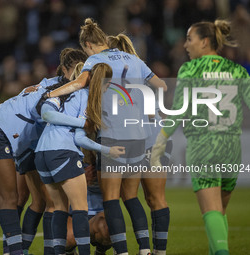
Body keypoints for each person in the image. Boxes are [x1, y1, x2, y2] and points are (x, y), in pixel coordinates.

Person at [43, 18, 167, 255]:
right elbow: (162, 85)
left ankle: (122, 252)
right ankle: (145, 250)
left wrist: (51, 94)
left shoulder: (95, 60)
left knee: (112, 199)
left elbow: (78, 84)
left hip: (112, 135)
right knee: (131, 197)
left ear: (88, 44)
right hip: (138, 136)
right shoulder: (134, 59)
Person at [0, 48, 88, 255]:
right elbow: (43, 111)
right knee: (11, 198)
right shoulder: (62, 89)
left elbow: (28, 100)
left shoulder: (47, 82)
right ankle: (15, 252)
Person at [151, 20, 250, 255]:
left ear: (204, 42)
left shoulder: (190, 69)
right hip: (231, 147)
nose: (185, 45)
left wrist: (160, 141)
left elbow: (178, 110)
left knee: (211, 210)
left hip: (204, 145)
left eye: (189, 38)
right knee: (219, 211)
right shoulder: (237, 70)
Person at [108, 33, 173, 255]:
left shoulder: (115, 82)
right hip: (159, 138)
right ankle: (158, 251)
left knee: (129, 195)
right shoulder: (138, 72)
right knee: (155, 198)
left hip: (143, 138)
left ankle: (145, 249)